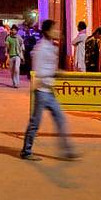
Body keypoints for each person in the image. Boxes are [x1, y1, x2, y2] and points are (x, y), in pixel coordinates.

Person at [20, 19, 79, 161]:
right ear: (47, 32)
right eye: (54, 29)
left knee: (60, 119)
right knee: (35, 123)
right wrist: (55, 73)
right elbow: (39, 71)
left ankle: (67, 150)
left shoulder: (52, 47)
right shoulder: (40, 49)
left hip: (49, 91)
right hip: (41, 91)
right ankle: (26, 151)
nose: (57, 32)